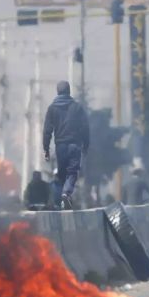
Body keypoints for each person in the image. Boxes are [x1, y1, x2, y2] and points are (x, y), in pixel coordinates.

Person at [43, 81, 90, 209]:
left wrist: (46, 149)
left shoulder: (52, 108)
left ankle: (61, 199)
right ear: (68, 91)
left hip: (60, 146)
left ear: (57, 91)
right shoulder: (77, 107)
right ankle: (66, 195)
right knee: (72, 172)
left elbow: (47, 130)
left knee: (62, 173)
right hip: (74, 145)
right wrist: (86, 145)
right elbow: (85, 128)